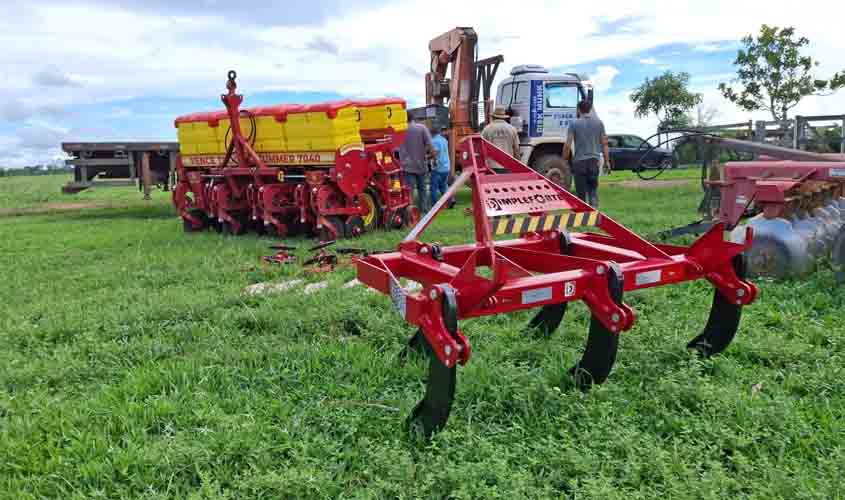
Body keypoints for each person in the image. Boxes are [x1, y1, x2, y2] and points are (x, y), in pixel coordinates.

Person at [563, 100, 609, 208]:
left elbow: (568, 144)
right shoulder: (599, 123)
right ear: (590, 109)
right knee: (593, 190)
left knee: (581, 192)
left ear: (579, 109)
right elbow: (605, 144)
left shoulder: (574, 124)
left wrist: (564, 159)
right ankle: (594, 210)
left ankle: (582, 214)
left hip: (579, 162)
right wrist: (607, 161)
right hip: (594, 161)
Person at [398, 117, 434, 212]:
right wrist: (434, 157)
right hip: (421, 165)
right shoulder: (422, 128)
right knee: (422, 190)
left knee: (409, 191)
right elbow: (430, 145)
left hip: (407, 166)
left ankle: (410, 213)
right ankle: (424, 210)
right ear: (413, 118)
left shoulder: (400, 130)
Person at [481, 106, 520, 171]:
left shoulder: (486, 129)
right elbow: (516, 149)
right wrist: (518, 164)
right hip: (508, 165)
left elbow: (481, 147)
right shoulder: (512, 129)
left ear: (493, 117)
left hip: (492, 166)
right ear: (504, 117)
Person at [429, 126, 451, 207]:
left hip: (438, 167)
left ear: (431, 133)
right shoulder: (444, 140)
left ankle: (435, 205)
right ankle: (450, 201)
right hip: (446, 166)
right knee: (444, 186)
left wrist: (427, 157)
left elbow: (435, 153)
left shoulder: (434, 141)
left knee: (433, 188)